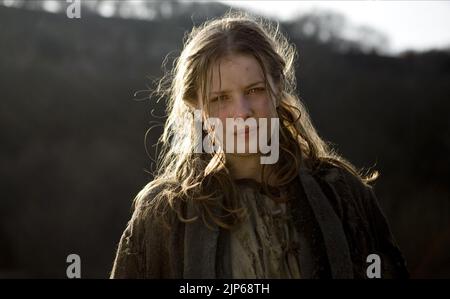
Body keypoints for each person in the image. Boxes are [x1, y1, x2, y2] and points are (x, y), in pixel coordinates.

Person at [110, 12, 408, 279]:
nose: (242, 112)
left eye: (253, 90)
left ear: (277, 89)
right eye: (220, 98)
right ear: (196, 107)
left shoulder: (341, 194)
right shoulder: (163, 215)